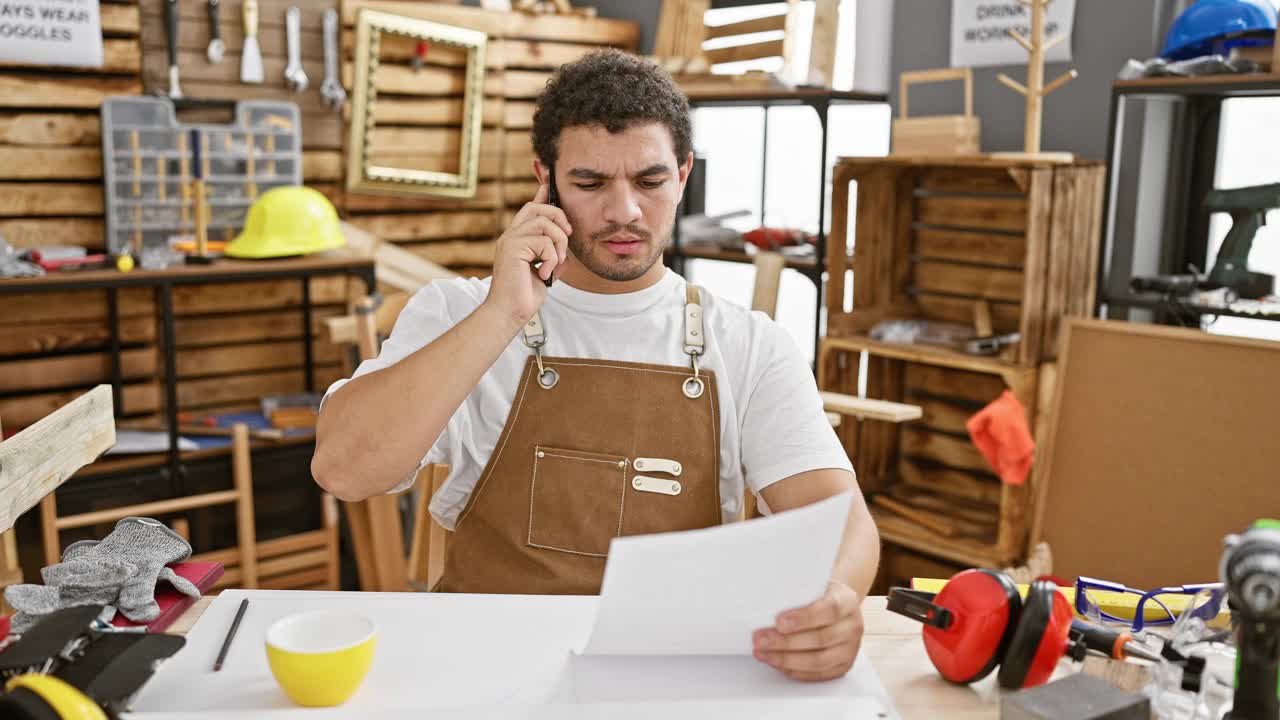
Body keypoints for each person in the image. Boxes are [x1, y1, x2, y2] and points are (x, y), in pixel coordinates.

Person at [313, 49, 880, 682]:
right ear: (545, 179)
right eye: (589, 183)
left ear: (684, 173)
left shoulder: (749, 344)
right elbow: (344, 470)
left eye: (650, 181)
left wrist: (837, 599)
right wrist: (503, 314)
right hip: (482, 671)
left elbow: (842, 520)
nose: (623, 212)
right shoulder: (459, 312)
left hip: (677, 677)